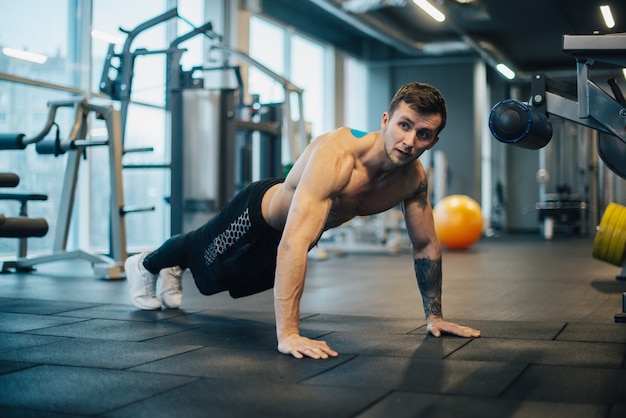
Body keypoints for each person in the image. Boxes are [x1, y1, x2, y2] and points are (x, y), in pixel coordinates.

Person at [125, 81, 482, 360]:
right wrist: (289, 334)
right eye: (404, 125)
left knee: (221, 280)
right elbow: (293, 242)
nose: (409, 141)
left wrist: (434, 316)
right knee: (201, 249)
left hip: (298, 234)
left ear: (433, 141)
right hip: (258, 216)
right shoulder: (338, 155)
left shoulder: (413, 180)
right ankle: (146, 263)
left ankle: (173, 267)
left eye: (423, 134)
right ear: (386, 120)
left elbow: (425, 244)